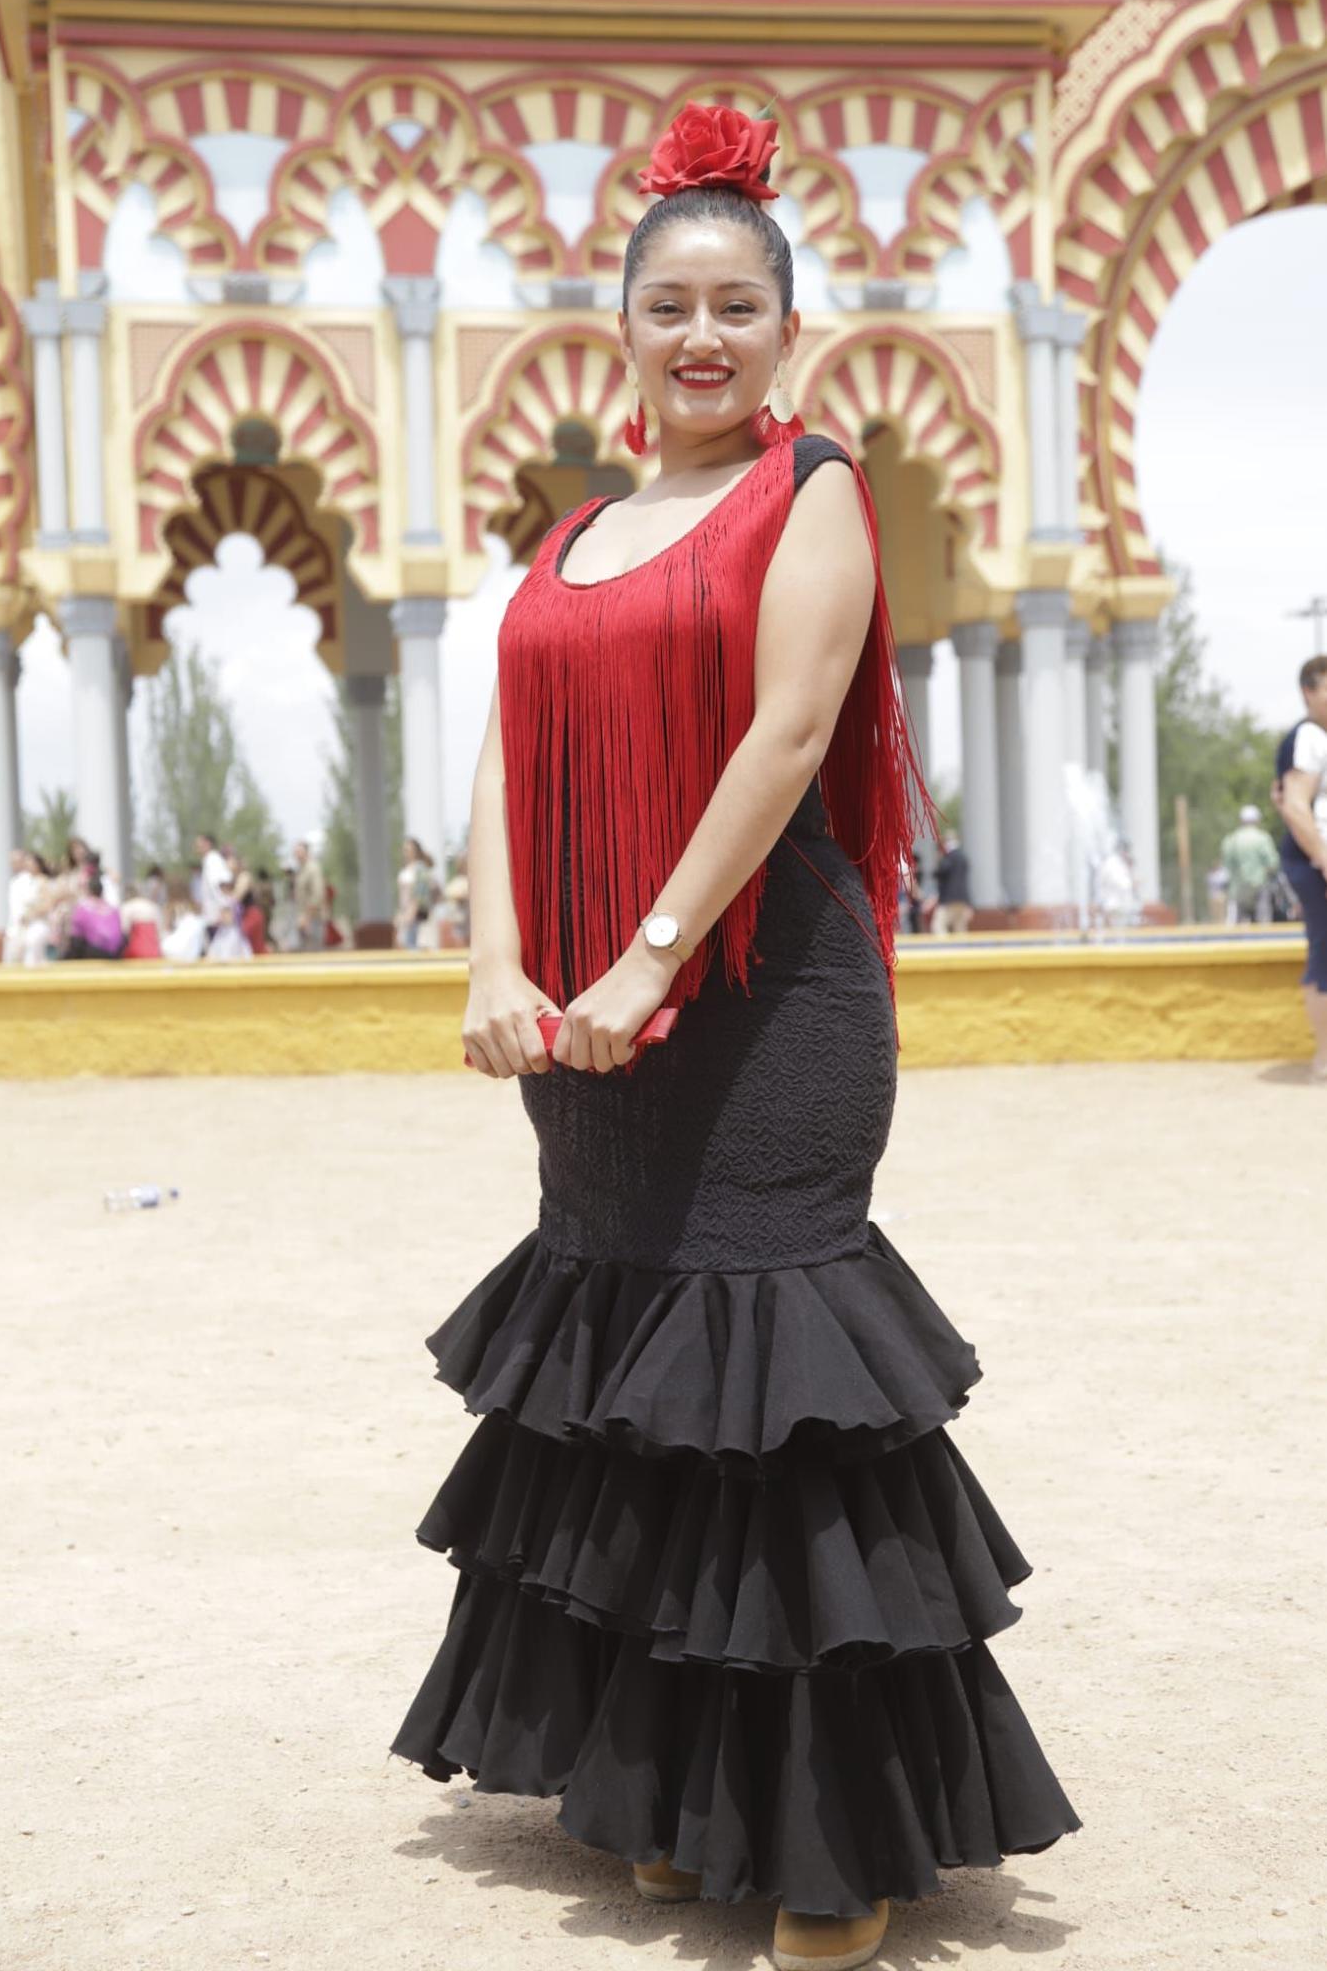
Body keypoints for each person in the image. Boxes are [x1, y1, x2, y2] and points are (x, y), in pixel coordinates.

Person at [387, 105, 1081, 1968]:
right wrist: (498, 961)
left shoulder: (818, 491)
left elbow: (787, 738)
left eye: (736, 309)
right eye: (668, 307)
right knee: (638, 1373)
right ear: (620, 328)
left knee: (769, 1374)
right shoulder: (578, 537)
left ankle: (835, 1841)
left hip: (766, 998)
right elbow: (507, 756)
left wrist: (650, 955)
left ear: (788, 333)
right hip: (592, 1041)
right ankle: (680, 1799)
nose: (702, 337)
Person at [1272, 654, 1327, 1080]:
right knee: (1324, 956)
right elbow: (1294, 806)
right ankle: (1324, 1061)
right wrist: (1324, 861)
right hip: (1316, 861)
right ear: (1309, 692)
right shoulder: (1310, 736)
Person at [1220, 805, 1279, 924]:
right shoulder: (1263, 838)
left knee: (1236, 923)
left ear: (1241, 821)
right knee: (1263, 920)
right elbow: (1273, 863)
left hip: (1237, 889)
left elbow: (1227, 865)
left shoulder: (1231, 839)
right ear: (1257, 820)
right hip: (1260, 886)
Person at [63, 867, 122, 959]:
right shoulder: (113, 909)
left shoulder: (83, 907)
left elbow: (76, 935)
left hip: (94, 951)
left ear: (89, 890)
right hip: (115, 953)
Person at [395, 836, 434, 949]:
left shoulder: (420, 868)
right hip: (406, 912)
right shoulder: (406, 869)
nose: (405, 853)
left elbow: (420, 893)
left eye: (408, 850)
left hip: (415, 915)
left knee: (413, 946)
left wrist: (411, 912)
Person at [930, 833, 973, 935]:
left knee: (938, 925)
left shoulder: (949, 857)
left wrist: (938, 860)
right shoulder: (964, 857)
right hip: (963, 899)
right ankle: (963, 950)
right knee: (960, 928)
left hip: (949, 899)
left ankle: (943, 949)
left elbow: (940, 872)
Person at [194, 832, 232, 946]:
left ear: (207, 843)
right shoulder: (209, 860)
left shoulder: (213, 859)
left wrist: (224, 908)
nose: (196, 847)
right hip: (213, 914)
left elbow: (220, 884)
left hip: (217, 915)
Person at [292, 839, 326, 951]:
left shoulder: (313, 868)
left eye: (299, 851)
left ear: (307, 852)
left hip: (313, 919)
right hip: (304, 918)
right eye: (295, 852)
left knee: (314, 956)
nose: (296, 854)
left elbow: (317, 895)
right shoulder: (301, 870)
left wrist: (307, 918)